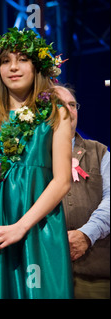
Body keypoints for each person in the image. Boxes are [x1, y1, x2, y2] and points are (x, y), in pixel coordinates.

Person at [0, 28, 74, 298]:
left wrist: (20, 226)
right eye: (5, 61)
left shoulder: (55, 113)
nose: (13, 67)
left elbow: (63, 180)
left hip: (39, 230)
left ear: (37, 67)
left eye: (22, 59)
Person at [55, 85, 110, 299]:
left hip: (94, 276)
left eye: (72, 104)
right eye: (60, 104)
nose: (69, 110)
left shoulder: (99, 151)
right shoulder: (30, 156)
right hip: (43, 272)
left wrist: (86, 235)